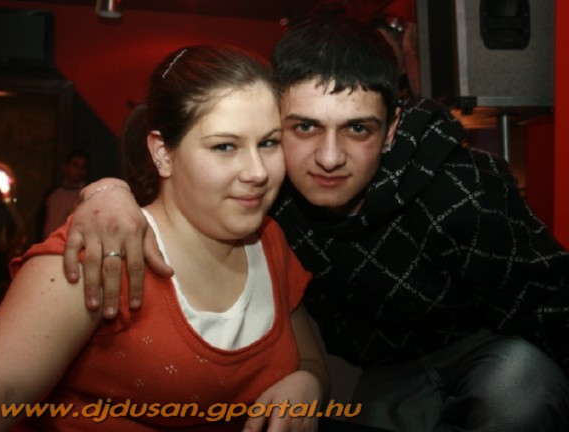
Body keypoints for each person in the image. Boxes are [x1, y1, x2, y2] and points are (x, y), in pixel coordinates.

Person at [64, 15, 569, 431]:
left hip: (489, 347)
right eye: (305, 127)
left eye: (357, 129)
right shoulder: (268, 190)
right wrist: (108, 190)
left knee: (517, 390)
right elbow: (173, 160)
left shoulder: (463, 191)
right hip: (385, 370)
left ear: (391, 129)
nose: (329, 158)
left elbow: (553, 305)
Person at [0, 44, 330, 432]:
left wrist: (308, 383)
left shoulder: (270, 241)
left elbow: (310, 362)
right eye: (225, 146)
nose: (257, 172)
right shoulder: (102, 251)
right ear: (163, 154)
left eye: (268, 143)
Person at [39, 149, 89, 240]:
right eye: (75, 165)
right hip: (48, 243)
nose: (79, 170)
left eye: (83, 167)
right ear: (65, 167)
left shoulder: (87, 195)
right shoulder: (52, 194)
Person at [0, 186, 16, 311]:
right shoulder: (2, 209)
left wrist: (8, 243)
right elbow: (12, 226)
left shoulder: (2, 209)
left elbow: (12, 226)